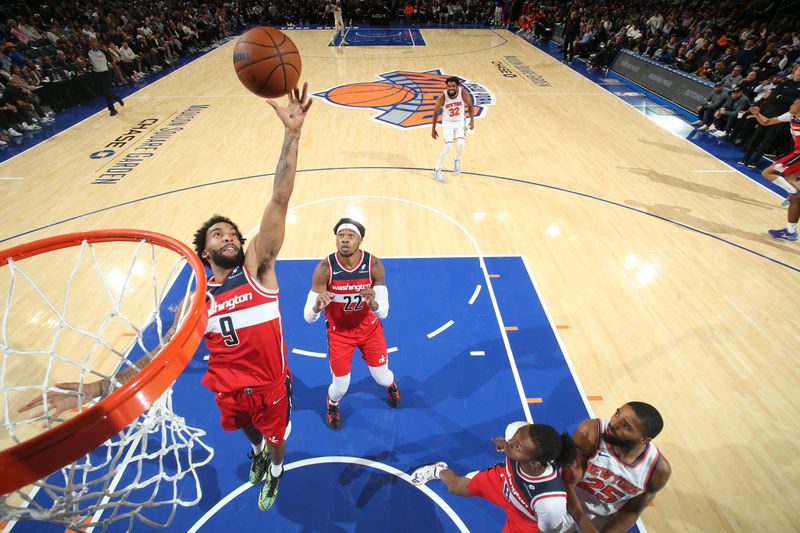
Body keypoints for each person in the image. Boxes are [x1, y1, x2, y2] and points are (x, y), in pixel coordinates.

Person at [20, 83, 314, 513]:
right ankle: (256, 455)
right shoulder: (199, 301)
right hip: (230, 388)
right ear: (205, 251)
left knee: (276, 439)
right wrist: (100, 387)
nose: (229, 237)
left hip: (270, 384)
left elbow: (280, 198)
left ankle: (274, 470)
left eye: (233, 233)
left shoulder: (258, 269)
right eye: (219, 235)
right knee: (246, 430)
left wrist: (292, 135)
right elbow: (161, 354)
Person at [411, 421, 595, 533]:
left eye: (517, 447)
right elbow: (515, 439)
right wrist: (508, 442)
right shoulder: (516, 430)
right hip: (501, 482)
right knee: (455, 487)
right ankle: (438, 470)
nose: (511, 443)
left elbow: (547, 531)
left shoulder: (551, 501)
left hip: (523, 519)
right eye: (515, 437)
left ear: (535, 464)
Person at [303, 218, 400, 430]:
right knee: (340, 387)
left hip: (370, 330)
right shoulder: (324, 268)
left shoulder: (373, 265)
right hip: (340, 334)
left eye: (350, 236)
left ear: (360, 240)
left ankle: (391, 386)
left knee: (382, 377)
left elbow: (383, 312)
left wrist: (373, 302)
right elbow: (308, 318)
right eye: (341, 236)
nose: (345, 240)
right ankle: (332, 404)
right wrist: (317, 306)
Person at [558, 402, 671, 532]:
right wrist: (584, 523)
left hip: (600, 519)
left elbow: (632, 511)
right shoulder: (591, 433)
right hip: (566, 502)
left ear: (644, 440)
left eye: (626, 426)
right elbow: (566, 481)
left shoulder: (658, 471)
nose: (613, 424)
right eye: (617, 414)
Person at [749, 98, 800, 212]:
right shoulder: (790, 115)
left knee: (767, 172)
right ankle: (795, 196)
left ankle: (794, 193)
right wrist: (757, 114)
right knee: (790, 178)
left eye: (795, 104)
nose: (791, 105)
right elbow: (766, 122)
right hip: (796, 152)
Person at [431, 77, 474, 183]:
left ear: (457, 86)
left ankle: (456, 159)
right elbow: (436, 112)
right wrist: (433, 128)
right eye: (449, 86)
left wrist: (472, 121)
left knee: (461, 144)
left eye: (453, 86)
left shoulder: (462, 93)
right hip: (448, 124)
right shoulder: (443, 96)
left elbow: (470, 106)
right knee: (448, 145)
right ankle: (436, 170)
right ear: (447, 86)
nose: (451, 88)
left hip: (460, 123)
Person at [87, 38, 124, 115]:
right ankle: (115, 97)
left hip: (106, 73)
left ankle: (112, 109)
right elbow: (81, 59)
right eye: (91, 42)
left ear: (97, 43)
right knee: (103, 92)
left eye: (94, 42)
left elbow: (114, 65)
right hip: (97, 74)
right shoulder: (88, 53)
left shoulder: (104, 52)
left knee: (106, 91)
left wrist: (121, 77)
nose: (92, 44)